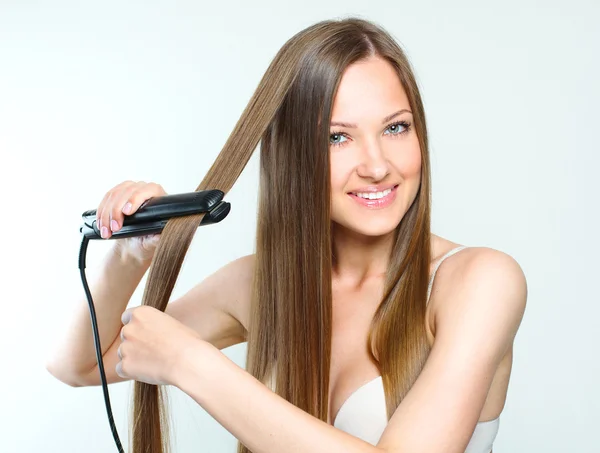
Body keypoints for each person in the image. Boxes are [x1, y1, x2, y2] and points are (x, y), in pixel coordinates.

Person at [46, 18, 527, 453]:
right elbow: (79, 365)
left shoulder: (478, 282)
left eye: (397, 128)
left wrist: (192, 365)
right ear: (293, 154)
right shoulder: (262, 284)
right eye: (337, 137)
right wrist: (130, 255)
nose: (378, 166)